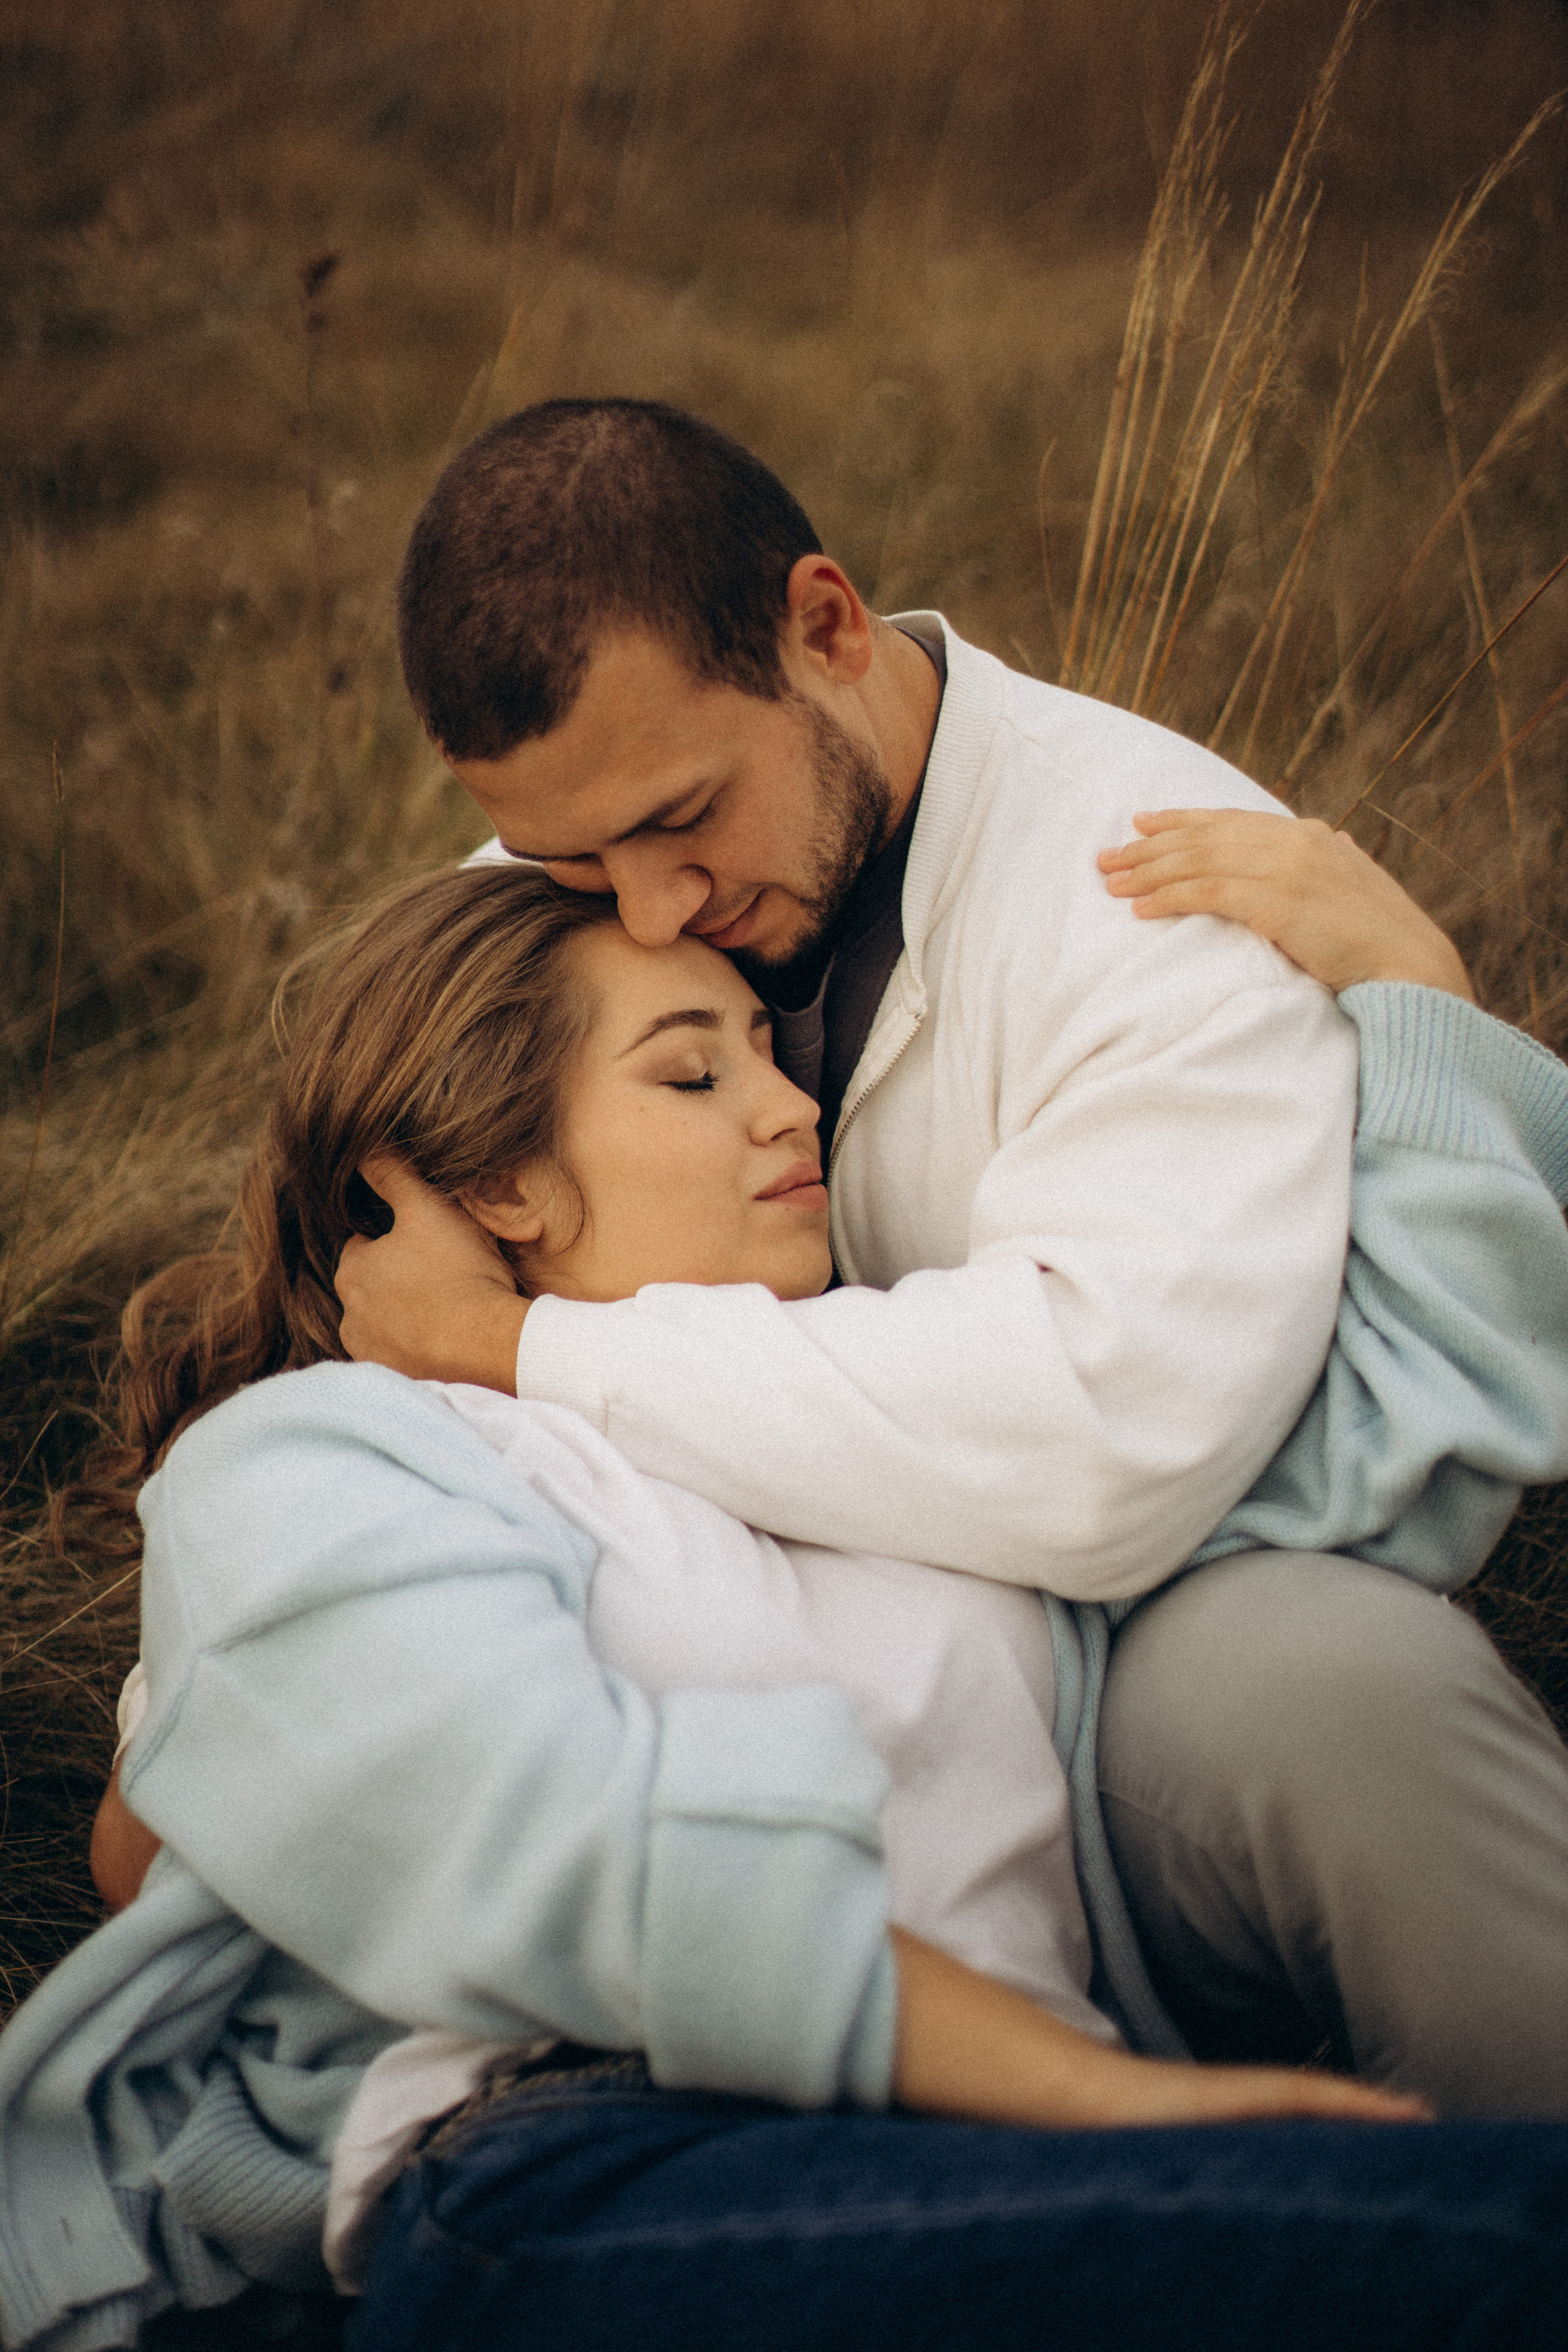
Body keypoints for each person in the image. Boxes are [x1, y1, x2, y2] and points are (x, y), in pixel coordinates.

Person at [4, 832, 1566, 2351]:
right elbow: (551, 1839)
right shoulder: (345, 1451)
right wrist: (1112, 2100)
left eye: (770, 1051)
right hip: (593, 2157)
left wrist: (1421, 1018)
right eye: (692, 1075)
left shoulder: (861, 1418)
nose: (787, 1105)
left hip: (1000, 2167)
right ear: (495, 1183)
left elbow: (1364, 1481)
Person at [336, 396, 1568, 2106]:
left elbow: (1098, 1441)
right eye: (570, 854)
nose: (646, 906)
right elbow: (371, 1312)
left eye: (684, 816)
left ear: (825, 627)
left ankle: (1496, 2205)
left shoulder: (1147, 878)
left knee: (1349, 1691)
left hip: (1096, 1683)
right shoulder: (565, 885)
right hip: (649, 1654)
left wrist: (527, 1347)